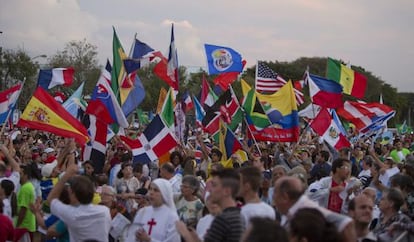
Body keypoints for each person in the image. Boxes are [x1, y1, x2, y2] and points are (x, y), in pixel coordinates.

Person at [273, 176, 356, 242]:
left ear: (285, 197)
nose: (273, 199)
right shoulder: (289, 211)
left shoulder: (307, 207)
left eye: (275, 194)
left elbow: (346, 223)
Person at [47, 163, 111, 242]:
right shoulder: (104, 211)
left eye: (70, 192)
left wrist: (66, 176)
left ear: (73, 194)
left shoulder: (71, 214)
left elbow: (51, 200)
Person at [177, 168, 244, 242]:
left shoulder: (223, 219)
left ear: (227, 191)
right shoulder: (237, 215)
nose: (210, 189)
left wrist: (186, 235)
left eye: (214, 185)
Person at [16, 164, 36, 234]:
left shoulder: (26, 188)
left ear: (26, 175)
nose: (18, 176)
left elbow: (23, 209)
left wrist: (17, 226)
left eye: (20, 174)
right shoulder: (28, 186)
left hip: (24, 226)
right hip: (27, 225)